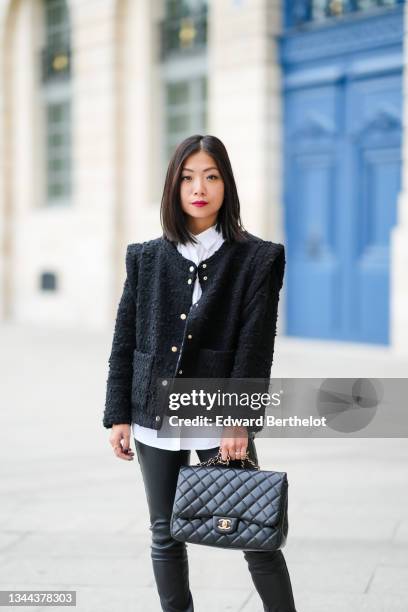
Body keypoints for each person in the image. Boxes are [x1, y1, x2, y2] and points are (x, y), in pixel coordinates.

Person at [103, 134, 297, 612]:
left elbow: (255, 346)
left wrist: (239, 420)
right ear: (173, 186)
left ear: (226, 185)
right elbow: (125, 339)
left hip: (219, 409)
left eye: (211, 176)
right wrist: (118, 414)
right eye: (188, 177)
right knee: (165, 532)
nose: (199, 188)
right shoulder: (146, 257)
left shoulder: (258, 258)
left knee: (256, 531)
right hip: (152, 408)